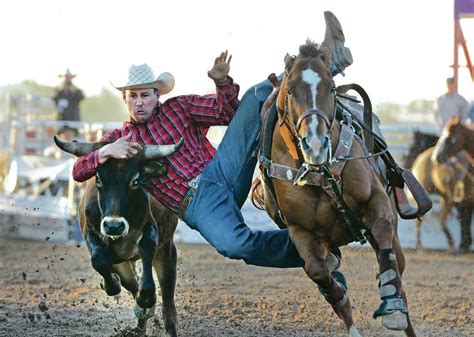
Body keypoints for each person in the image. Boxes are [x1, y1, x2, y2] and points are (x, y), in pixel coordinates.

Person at [71, 51, 341, 270]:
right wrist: (105, 152)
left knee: (255, 97)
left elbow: (227, 114)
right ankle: (311, 250)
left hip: (222, 170)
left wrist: (221, 82)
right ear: (125, 100)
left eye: (145, 95)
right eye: (134, 96)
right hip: (196, 203)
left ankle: (323, 63)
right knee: (234, 245)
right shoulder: (120, 139)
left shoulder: (179, 107)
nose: (140, 102)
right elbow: (79, 170)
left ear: (157, 95)